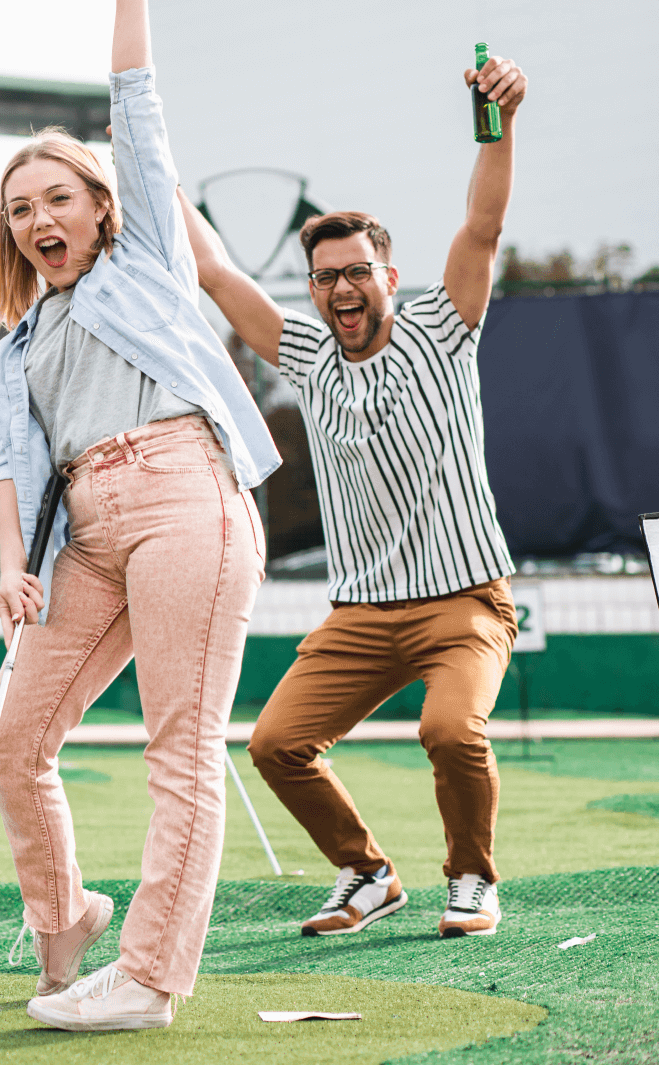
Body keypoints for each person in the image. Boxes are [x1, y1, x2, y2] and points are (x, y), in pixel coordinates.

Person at [0, 0, 279, 1033]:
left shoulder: (142, 255)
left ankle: (148, 977)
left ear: (100, 207)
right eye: (20, 209)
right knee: (11, 740)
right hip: (83, 535)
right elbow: (14, 462)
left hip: (181, 493)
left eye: (58, 197)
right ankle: (65, 924)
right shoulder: (13, 344)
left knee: (179, 744)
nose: (40, 219)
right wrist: (11, 563)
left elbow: (135, 115)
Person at [180, 49, 528, 938]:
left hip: (465, 602)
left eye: (356, 272)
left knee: (452, 732)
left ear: (388, 278)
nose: (341, 288)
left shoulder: (442, 332)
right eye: (325, 275)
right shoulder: (306, 356)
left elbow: (482, 229)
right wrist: (154, 171)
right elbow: (218, 274)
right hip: (362, 613)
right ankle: (367, 872)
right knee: (273, 742)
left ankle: (473, 879)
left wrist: (501, 123)